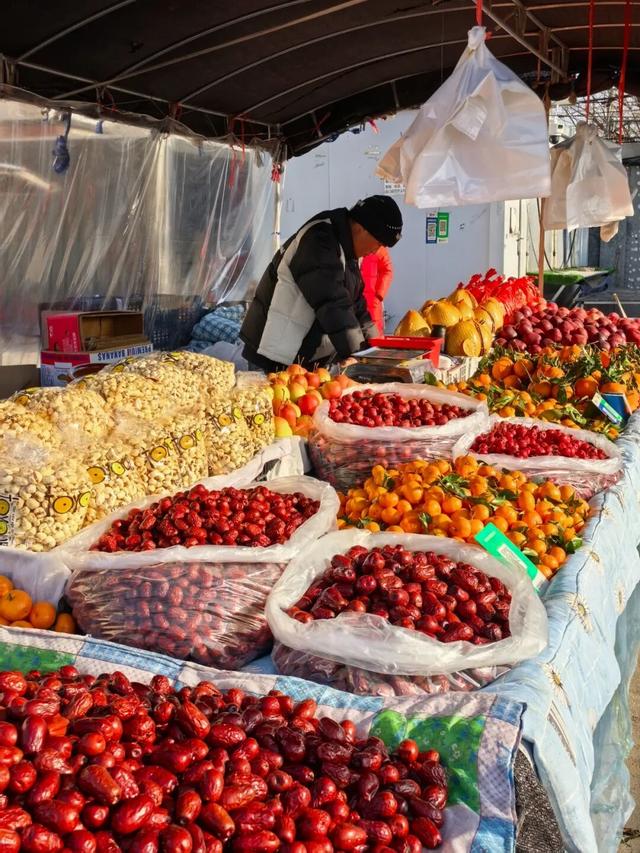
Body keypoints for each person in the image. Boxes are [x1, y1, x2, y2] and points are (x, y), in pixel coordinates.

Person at [240, 195, 403, 372]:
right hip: (272, 354)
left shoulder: (347, 250)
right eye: (378, 243)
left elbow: (357, 306)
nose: (377, 251)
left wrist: (375, 350)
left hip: (298, 357)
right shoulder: (320, 240)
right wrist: (359, 355)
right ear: (361, 228)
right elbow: (333, 304)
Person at [360, 246, 393, 335]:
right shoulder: (351, 241)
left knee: (374, 336)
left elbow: (387, 270)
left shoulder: (377, 244)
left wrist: (379, 295)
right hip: (350, 300)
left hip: (372, 301)